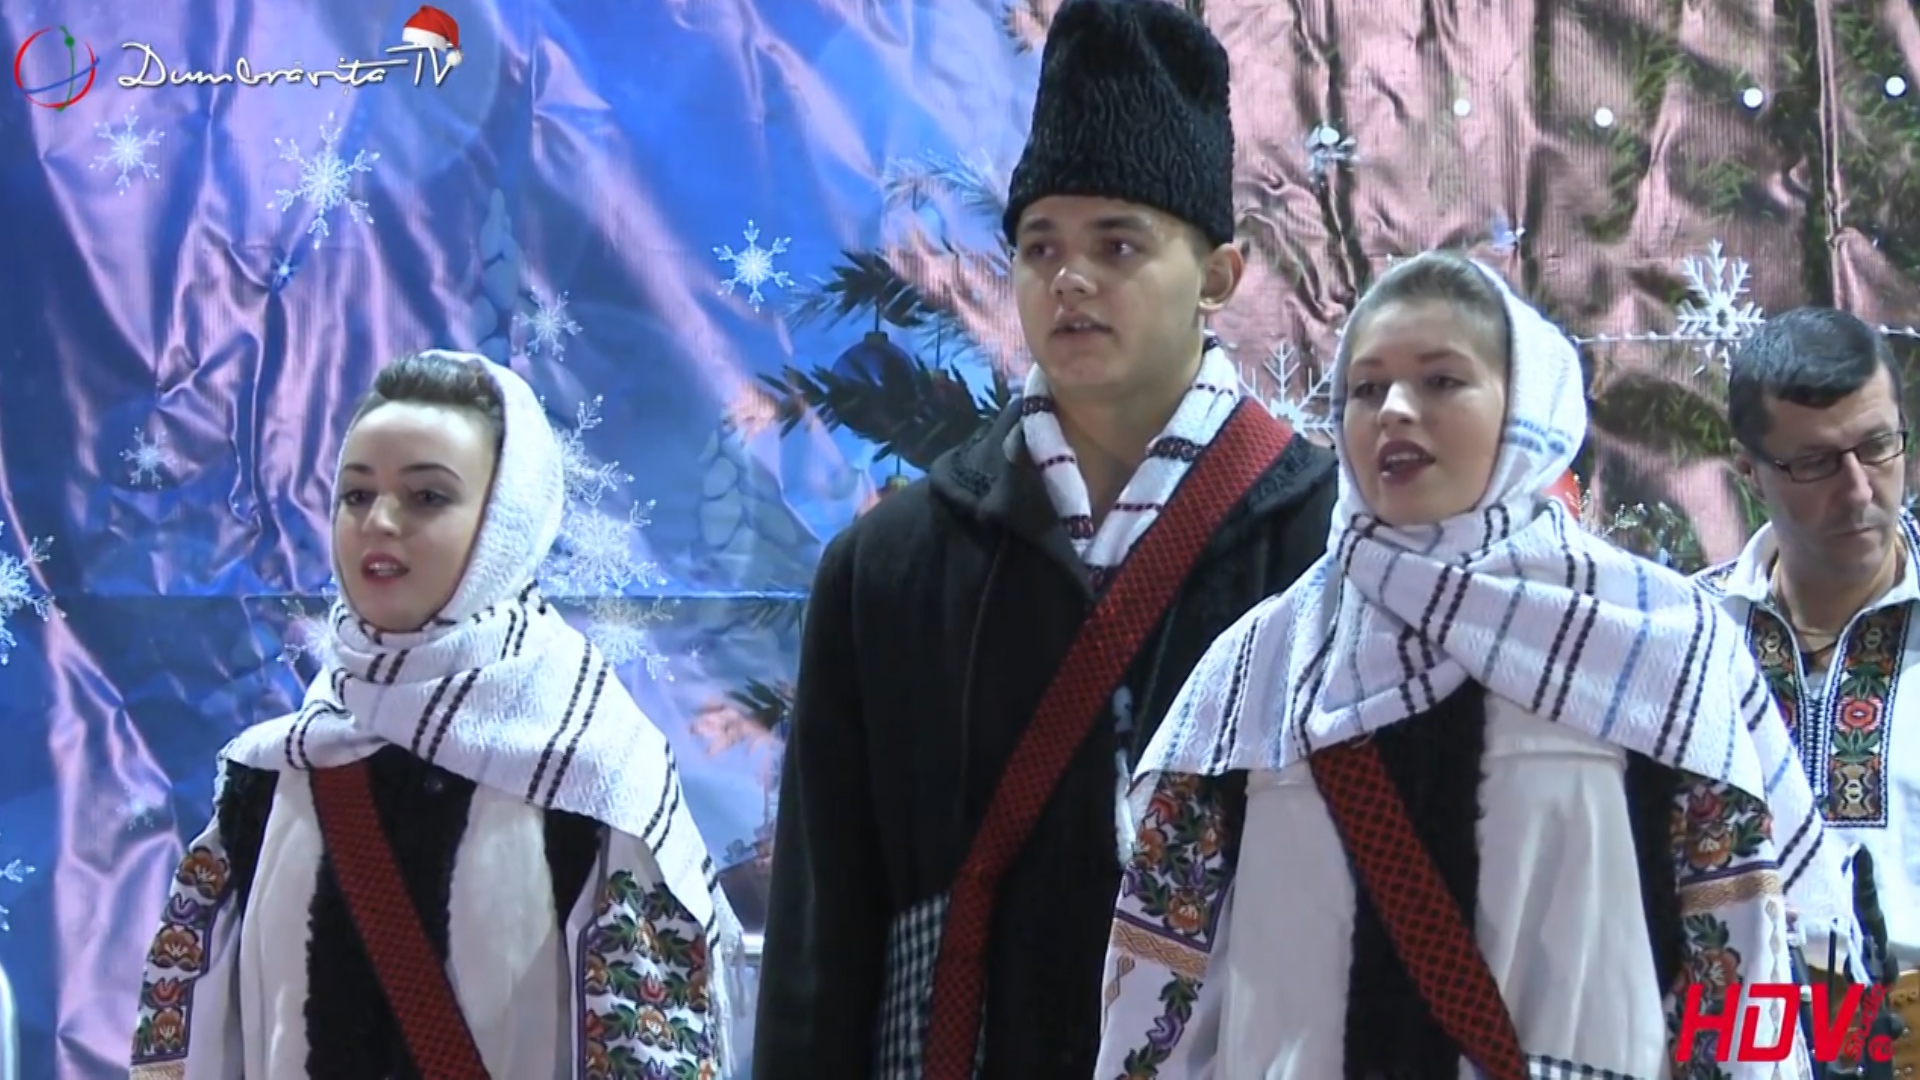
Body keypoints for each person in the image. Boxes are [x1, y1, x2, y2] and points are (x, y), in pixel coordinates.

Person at [750, 1, 1340, 1076]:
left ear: (1219, 275)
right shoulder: (889, 569)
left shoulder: (1325, 545)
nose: (1070, 279)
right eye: (1040, 246)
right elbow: (820, 944)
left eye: (1119, 243)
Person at [1094, 252, 1860, 1078]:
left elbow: (1737, 967)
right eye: (1366, 387)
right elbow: (1162, 985)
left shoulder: (1658, 648)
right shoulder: (1256, 673)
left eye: (1441, 380)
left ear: (1526, 405)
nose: (1395, 409)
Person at [128, 351, 741, 1079]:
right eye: (357, 495)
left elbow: (648, 1056)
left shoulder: (595, 776)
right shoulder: (273, 772)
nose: (379, 521)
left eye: (426, 497)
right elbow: (190, 1047)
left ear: (504, 524)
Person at [1694, 308, 1918, 1071]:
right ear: (1749, 471)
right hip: (1739, 1046)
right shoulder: (1688, 642)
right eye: (1817, 463)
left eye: (1878, 446)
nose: (1859, 490)